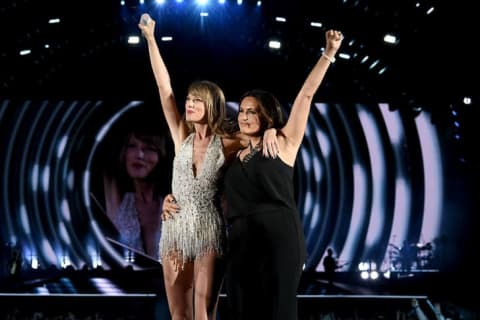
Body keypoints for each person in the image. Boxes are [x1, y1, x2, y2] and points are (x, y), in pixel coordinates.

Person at [138, 14, 278, 320]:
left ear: (211, 106)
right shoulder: (180, 136)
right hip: (174, 230)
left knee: (203, 312)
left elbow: (268, 130)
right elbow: (164, 88)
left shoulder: (227, 142)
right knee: (179, 314)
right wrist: (150, 38)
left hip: (210, 230)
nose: (188, 104)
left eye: (196, 101)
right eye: (188, 99)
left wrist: (270, 129)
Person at [222, 29, 343, 320]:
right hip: (239, 239)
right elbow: (191, 151)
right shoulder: (228, 149)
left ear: (266, 114)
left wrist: (328, 53)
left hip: (279, 236)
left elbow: (306, 95)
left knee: (279, 311)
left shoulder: (285, 142)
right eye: (242, 110)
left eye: (253, 111)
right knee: (240, 310)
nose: (245, 115)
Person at [102, 108, 170, 262]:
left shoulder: (174, 202)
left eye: (149, 148)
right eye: (132, 146)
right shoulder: (118, 200)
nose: (139, 155)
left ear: (161, 155)